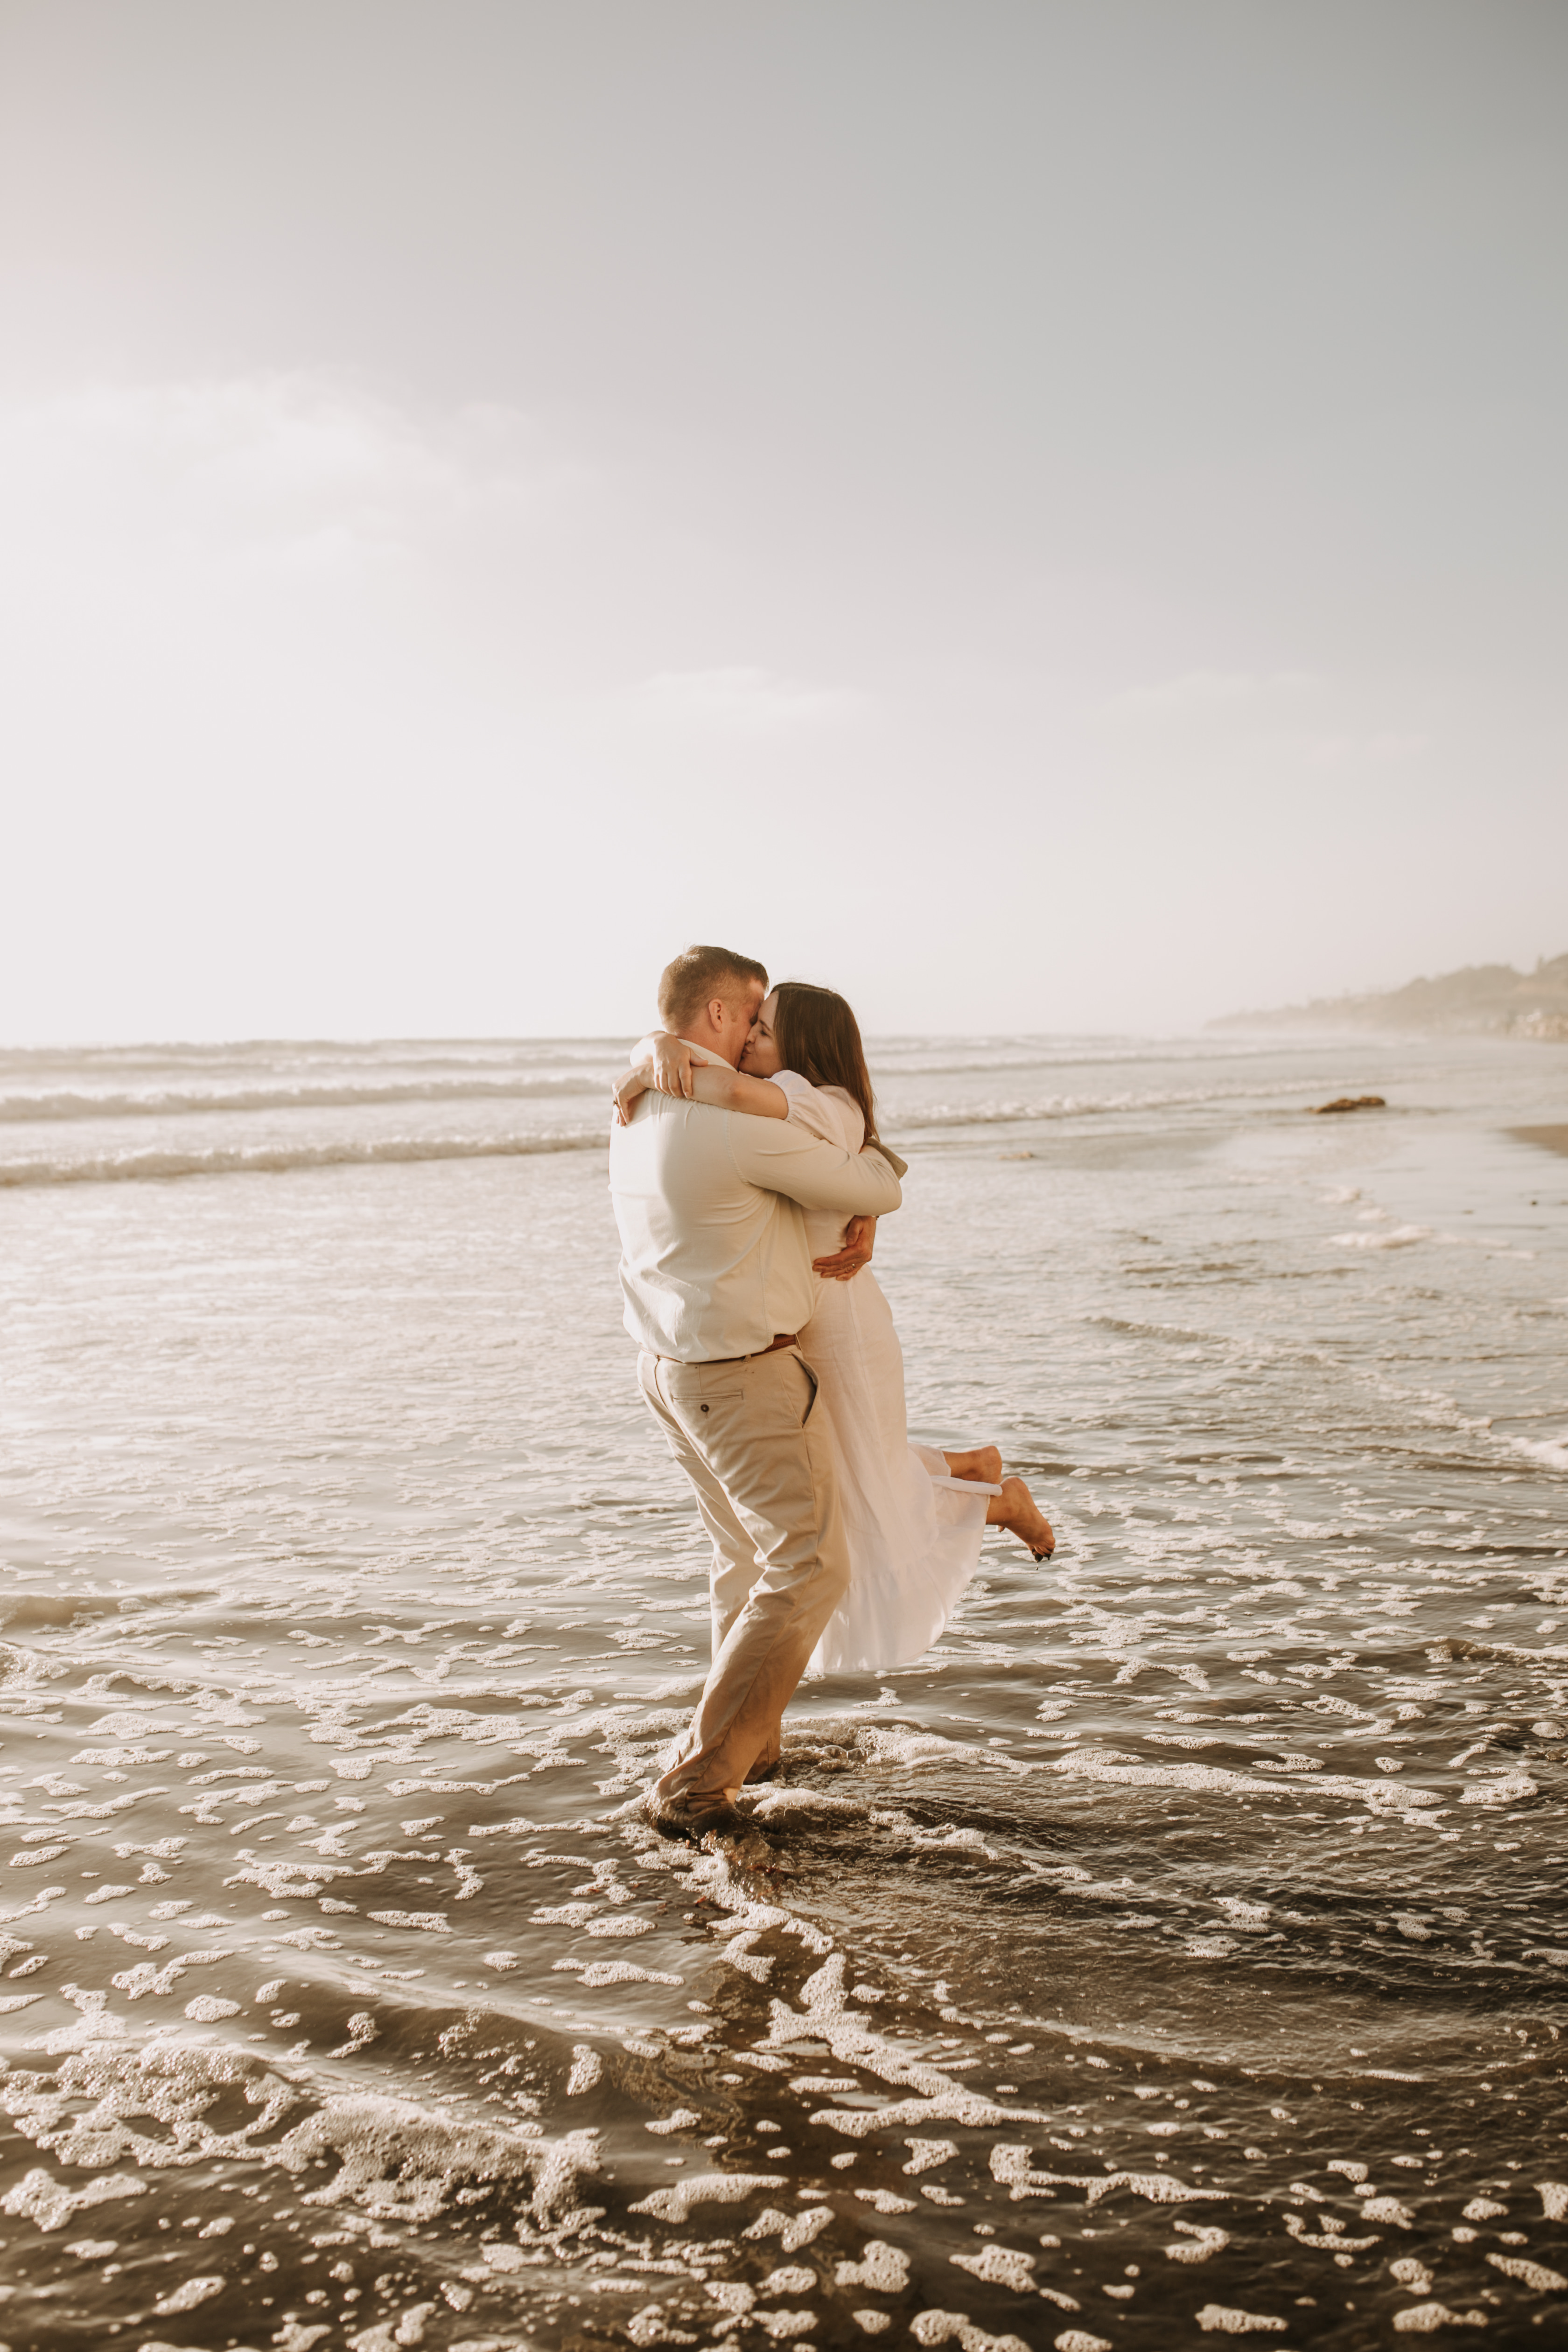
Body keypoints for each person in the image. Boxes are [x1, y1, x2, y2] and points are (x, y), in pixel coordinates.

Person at [616, 979, 1055, 1685]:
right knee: (850, 1469)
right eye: (749, 1023)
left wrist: (653, 1062)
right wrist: (655, 1048)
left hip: (839, 1318)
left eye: (765, 1026)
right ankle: (971, 1468)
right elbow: (861, 1152)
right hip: (803, 1315)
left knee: (858, 1483)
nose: (752, 1035)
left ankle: (995, 1500)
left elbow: (739, 1100)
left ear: (803, 1047)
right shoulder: (810, 1102)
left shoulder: (799, 1098)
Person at [608, 945, 906, 1841]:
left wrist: (651, 1046)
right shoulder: (735, 1124)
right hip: (742, 1378)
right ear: (714, 1021)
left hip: (669, 1372)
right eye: (750, 1015)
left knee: (743, 1561)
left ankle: (754, 1741)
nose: (753, 1035)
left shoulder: (638, 1104)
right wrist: (866, 1209)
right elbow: (878, 1181)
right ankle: (702, 1778)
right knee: (811, 1566)